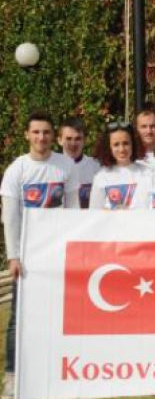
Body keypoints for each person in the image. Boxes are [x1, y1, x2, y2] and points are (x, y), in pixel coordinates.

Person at [0, 112, 80, 399]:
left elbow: (73, 210)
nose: (41, 137)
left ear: (53, 135)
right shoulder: (17, 170)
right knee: (18, 319)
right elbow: (10, 217)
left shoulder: (65, 165)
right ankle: (12, 375)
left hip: (58, 254)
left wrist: (73, 249)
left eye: (46, 132)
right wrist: (14, 256)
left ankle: (56, 371)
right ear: (27, 135)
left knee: (59, 316)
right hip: (28, 257)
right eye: (36, 132)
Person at [90, 122, 151, 210]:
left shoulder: (146, 172)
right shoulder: (101, 177)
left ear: (133, 144)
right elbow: (94, 211)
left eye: (126, 143)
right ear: (109, 147)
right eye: (116, 144)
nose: (122, 149)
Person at [58, 117, 101, 208]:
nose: (73, 143)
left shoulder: (96, 166)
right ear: (60, 140)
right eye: (68, 139)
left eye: (78, 139)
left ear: (84, 140)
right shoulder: (52, 167)